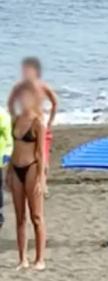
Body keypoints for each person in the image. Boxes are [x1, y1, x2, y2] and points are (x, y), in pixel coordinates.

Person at [7, 82, 48, 270]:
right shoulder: (15, 120)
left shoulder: (38, 122)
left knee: (36, 216)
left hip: (32, 167)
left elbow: (41, 153)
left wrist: (42, 178)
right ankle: (22, 258)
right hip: (15, 167)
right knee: (19, 217)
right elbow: (12, 147)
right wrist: (8, 171)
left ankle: (39, 259)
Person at [8, 58, 58, 170]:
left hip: (39, 122)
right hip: (24, 123)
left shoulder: (43, 86)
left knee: (43, 158)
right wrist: (15, 118)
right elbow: (10, 103)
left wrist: (50, 122)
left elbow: (55, 103)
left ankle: (41, 181)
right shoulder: (19, 87)